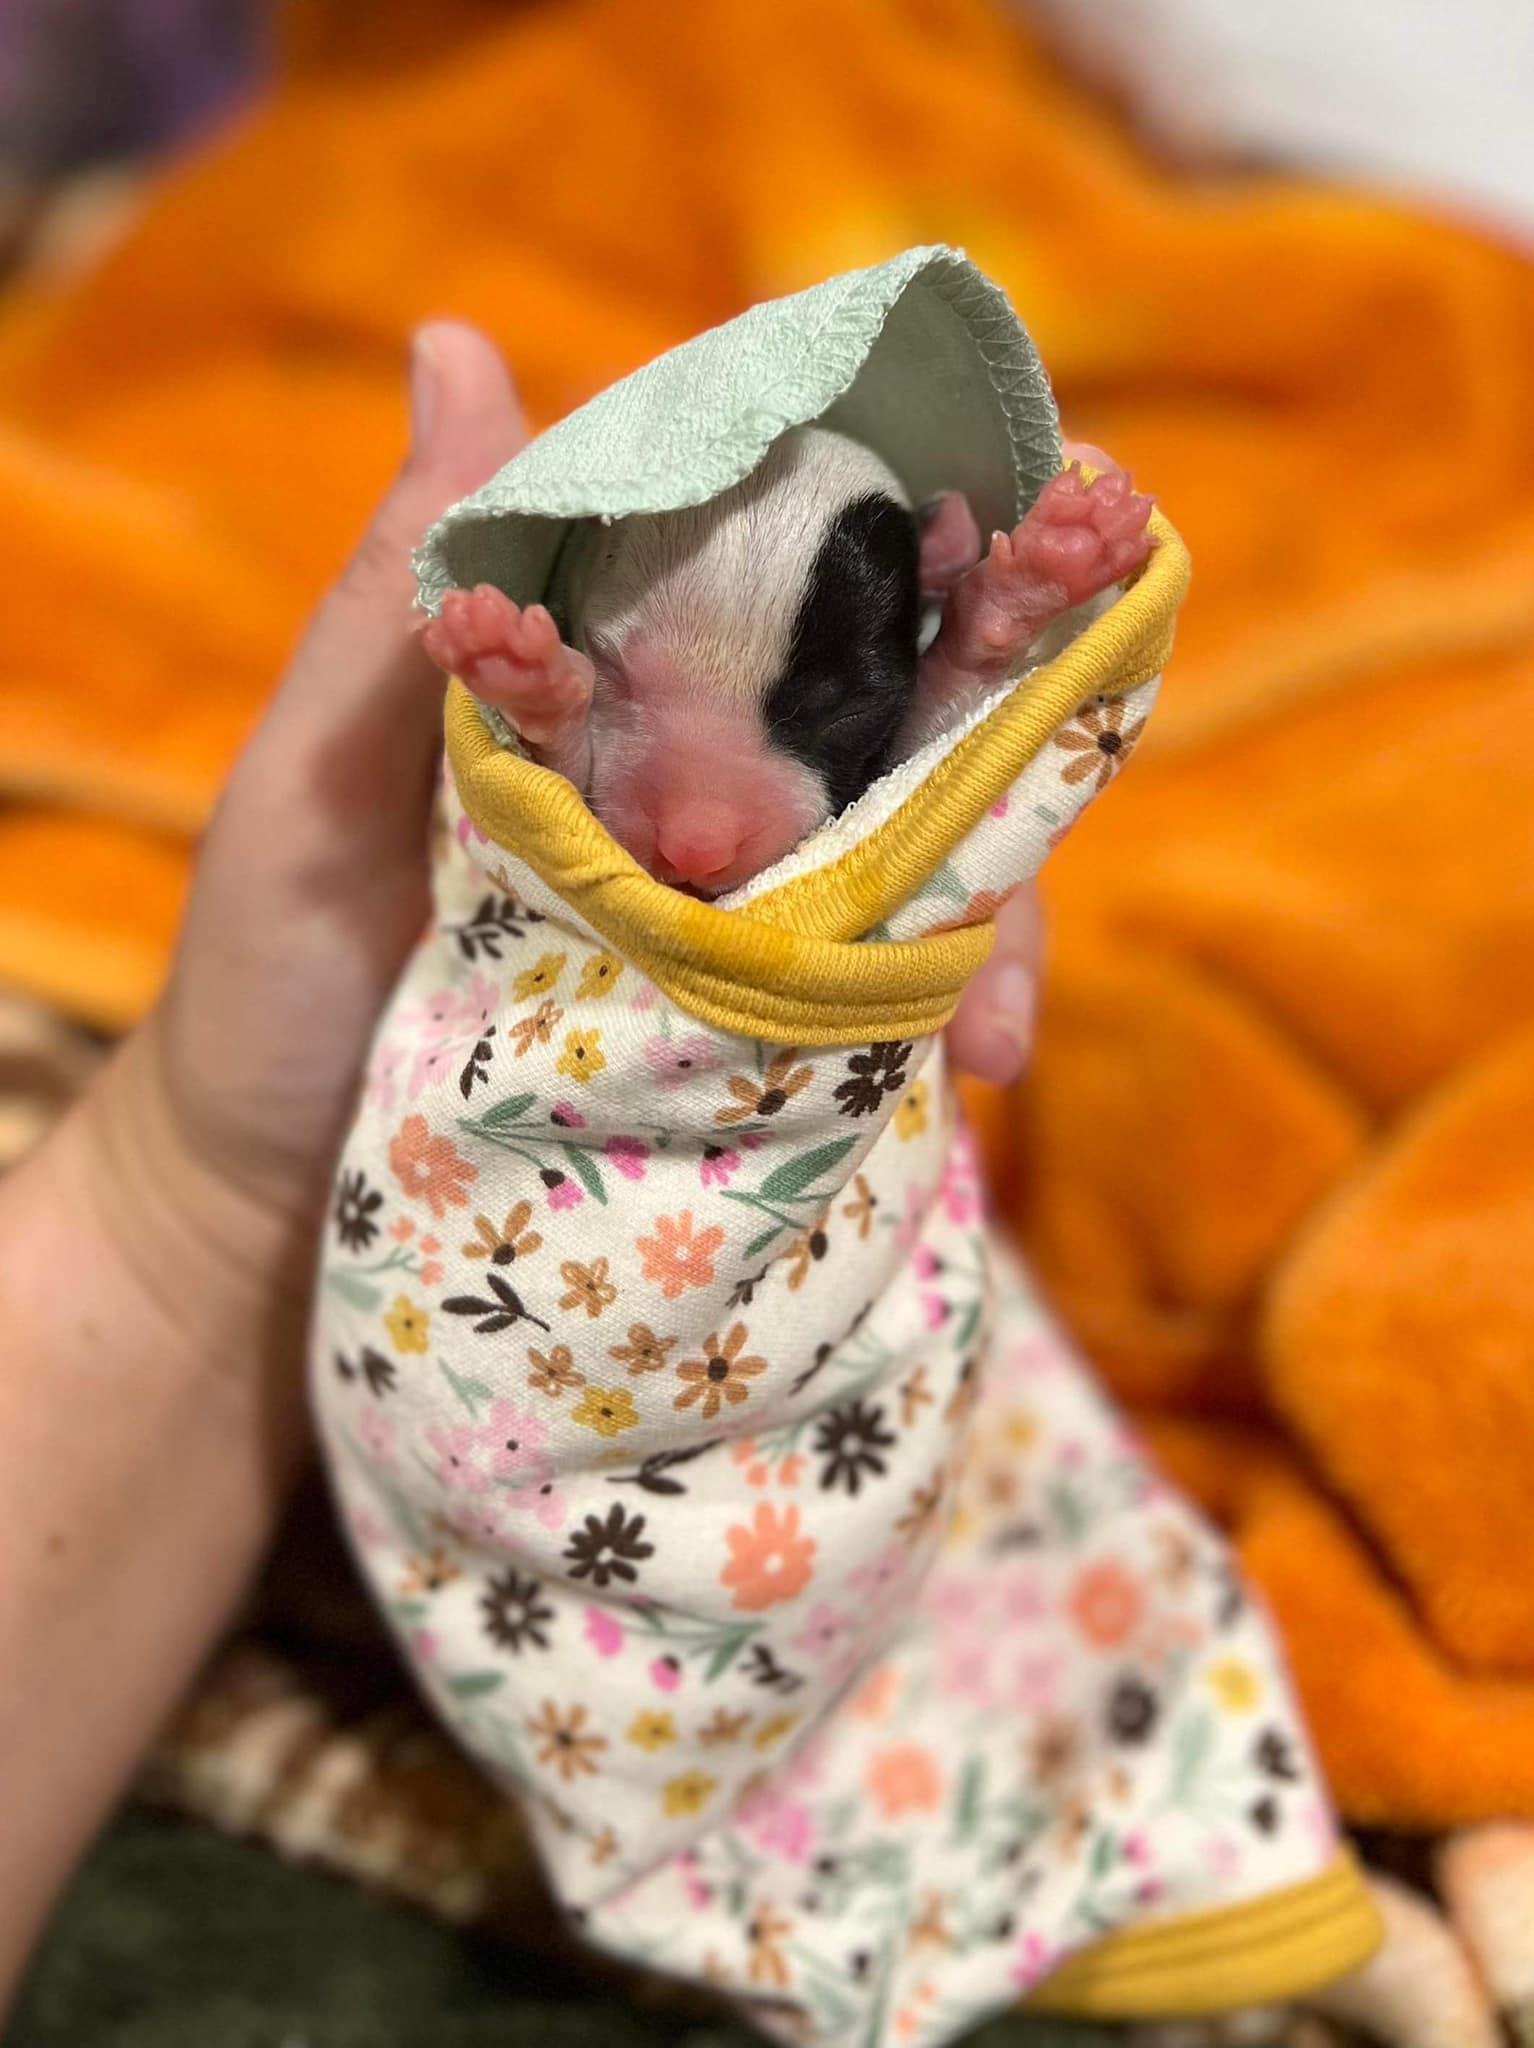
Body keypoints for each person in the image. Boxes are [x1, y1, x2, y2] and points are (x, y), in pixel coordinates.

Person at [0, 321, 1047, 2016]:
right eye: (620, 690)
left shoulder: (905, 645)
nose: (699, 833)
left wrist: (990, 675)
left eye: (813, 706)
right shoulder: (555, 694)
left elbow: (938, 762)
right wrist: (541, 724)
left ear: (919, 613)